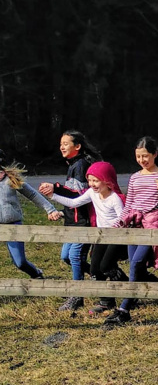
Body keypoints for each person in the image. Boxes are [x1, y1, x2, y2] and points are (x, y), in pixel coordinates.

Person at [104, 137, 158, 325]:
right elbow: (129, 205)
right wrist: (119, 223)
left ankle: (124, 308)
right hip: (134, 226)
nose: (142, 160)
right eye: (138, 156)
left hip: (154, 227)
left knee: (137, 263)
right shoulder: (135, 177)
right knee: (136, 267)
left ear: (154, 154)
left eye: (145, 156)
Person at [46, 161, 127, 314]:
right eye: (89, 180)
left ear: (106, 180)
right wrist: (53, 196)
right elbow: (74, 202)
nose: (92, 184)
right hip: (100, 237)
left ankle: (129, 294)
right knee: (95, 269)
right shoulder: (92, 193)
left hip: (116, 238)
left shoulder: (114, 198)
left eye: (95, 180)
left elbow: (123, 219)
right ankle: (106, 302)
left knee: (106, 267)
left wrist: (115, 230)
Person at [38, 130, 101, 312]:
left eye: (66, 143)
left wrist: (55, 188)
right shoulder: (72, 164)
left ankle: (77, 296)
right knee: (66, 256)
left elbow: (80, 195)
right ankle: (101, 275)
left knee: (74, 256)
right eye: (60, 144)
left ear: (78, 146)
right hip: (70, 221)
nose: (62, 147)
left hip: (82, 222)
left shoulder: (80, 165)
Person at [0, 149, 61, 279]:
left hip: (12, 225)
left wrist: (50, 210)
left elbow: (32, 194)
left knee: (20, 263)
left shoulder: (11, 180)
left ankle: (36, 274)